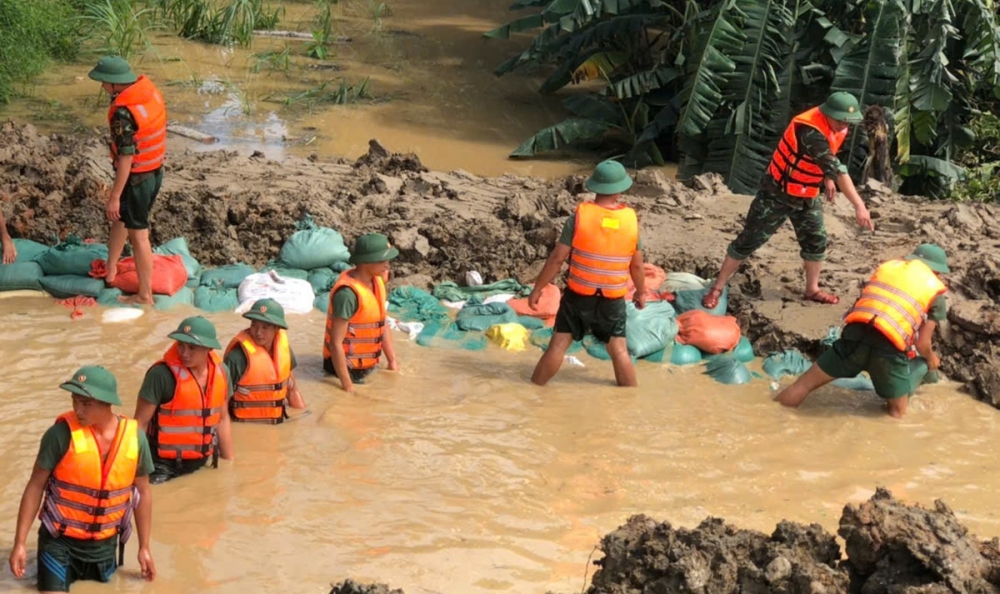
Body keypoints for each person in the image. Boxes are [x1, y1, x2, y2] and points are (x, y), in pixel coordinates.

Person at [701, 92, 876, 310]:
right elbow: (836, 168)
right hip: (777, 194)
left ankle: (812, 289)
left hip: (807, 194)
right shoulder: (809, 130)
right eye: (840, 120)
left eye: (847, 122)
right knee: (749, 239)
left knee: (816, 239)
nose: (843, 126)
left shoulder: (837, 126)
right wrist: (859, 206)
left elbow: (827, 159)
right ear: (828, 113)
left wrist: (827, 179)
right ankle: (717, 287)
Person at [8, 366, 155, 592]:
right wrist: (19, 542)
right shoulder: (59, 435)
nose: (78, 410)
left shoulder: (135, 440)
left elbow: (143, 492)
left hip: (104, 547)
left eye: (86, 404)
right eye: (75, 401)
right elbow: (35, 486)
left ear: (107, 403)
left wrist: (144, 547)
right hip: (59, 542)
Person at [775, 244, 950, 419]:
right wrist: (931, 358)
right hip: (888, 349)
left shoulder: (888, 270)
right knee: (897, 413)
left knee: (803, 385)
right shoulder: (934, 292)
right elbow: (922, 343)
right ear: (937, 272)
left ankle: (772, 416)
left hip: (853, 337)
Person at [528, 160, 646, 387]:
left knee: (558, 345)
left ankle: (533, 390)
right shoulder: (630, 222)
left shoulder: (578, 218)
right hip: (612, 300)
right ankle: (629, 400)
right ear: (620, 189)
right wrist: (641, 292)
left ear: (595, 187)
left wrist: (538, 288)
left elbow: (557, 259)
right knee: (619, 351)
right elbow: (637, 266)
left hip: (578, 297)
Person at [87, 56, 167, 306]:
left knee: (138, 233)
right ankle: (111, 269)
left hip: (136, 179)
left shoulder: (122, 113)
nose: (102, 87)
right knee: (122, 219)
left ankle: (145, 295)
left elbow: (126, 158)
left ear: (114, 84)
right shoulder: (146, 93)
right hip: (155, 171)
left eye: (104, 82)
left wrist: (113, 196)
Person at [133, 317, 234, 483]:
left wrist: (229, 463)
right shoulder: (160, 375)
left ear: (208, 348)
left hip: (201, 463)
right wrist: (136, 472)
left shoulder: (222, 373)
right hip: (161, 466)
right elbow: (140, 424)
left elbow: (222, 419)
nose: (184, 353)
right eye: (180, 345)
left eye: (192, 347)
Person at [323, 233, 400, 393]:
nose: (388, 265)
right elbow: (336, 343)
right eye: (382, 260)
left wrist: (392, 362)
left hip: (367, 365)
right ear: (366, 262)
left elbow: (381, 322)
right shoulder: (347, 295)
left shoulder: (376, 281)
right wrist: (347, 386)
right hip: (344, 370)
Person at [224, 298, 307, 423]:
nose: (258, 332)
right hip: (244, 424)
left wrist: (303, 420)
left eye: (265, 327)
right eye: (254, 325)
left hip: (276, 423)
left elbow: (292, 390)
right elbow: (221, 402)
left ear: (277, 328)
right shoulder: (237, 358)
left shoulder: (284, 351)